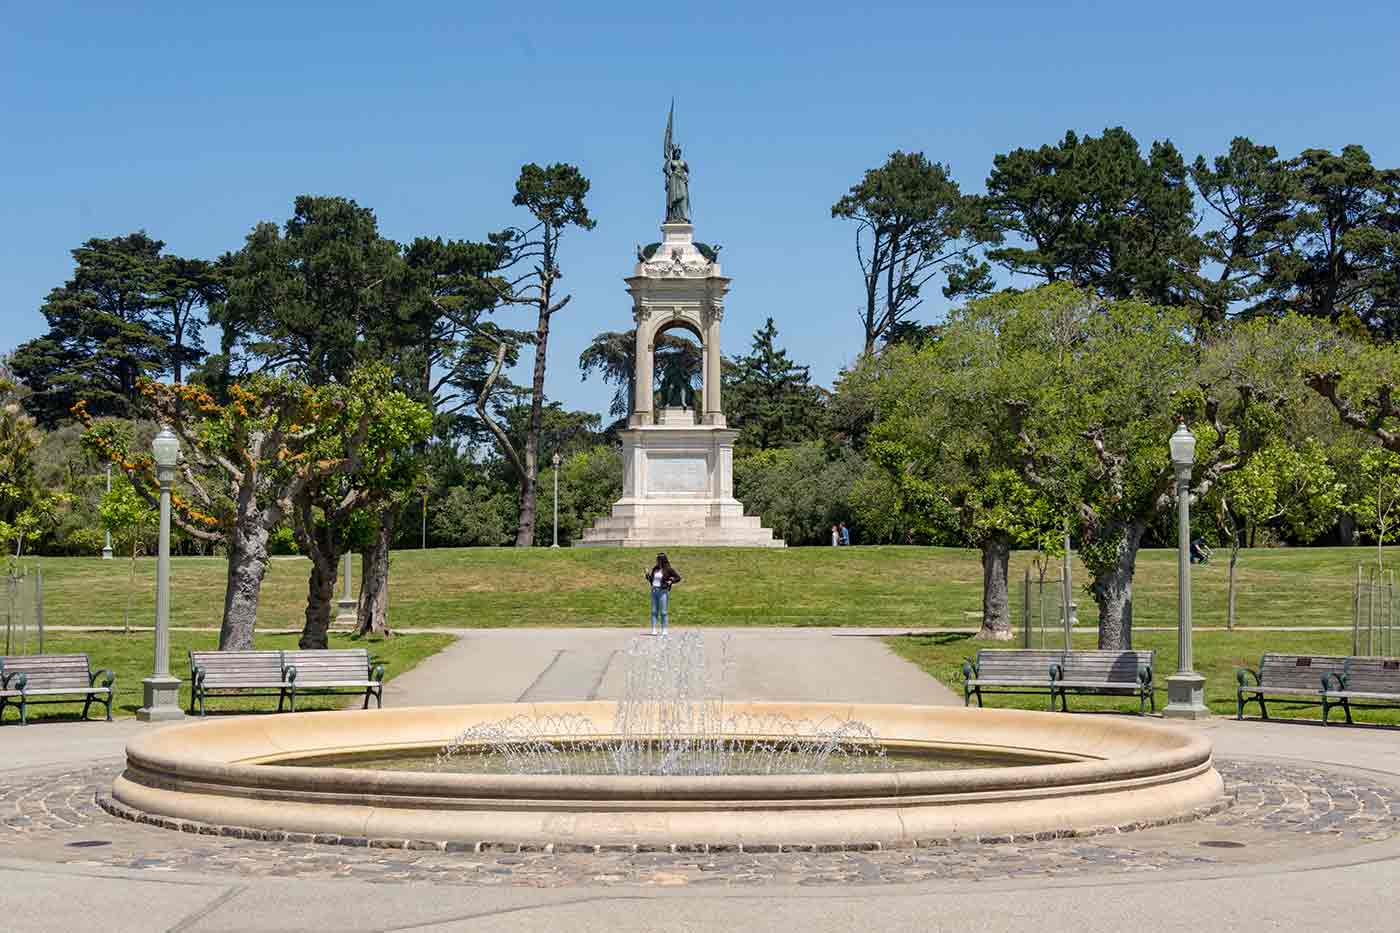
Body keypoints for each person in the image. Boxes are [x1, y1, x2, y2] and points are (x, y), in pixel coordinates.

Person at [645, 552, 682, 635]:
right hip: (654, 591)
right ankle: (654, 629)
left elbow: (678, 578)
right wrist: (647, 575)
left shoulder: (668, 569)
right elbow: (652, 580)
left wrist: (671, 581)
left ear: (662, 560)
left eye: (658, 559)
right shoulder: (655, 568)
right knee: (654, 611)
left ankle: (664, 629)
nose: (656, 561)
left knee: (663, 612)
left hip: (663, 592)